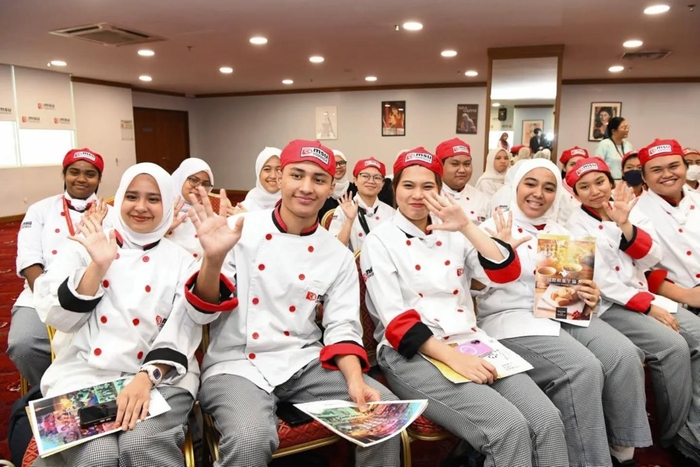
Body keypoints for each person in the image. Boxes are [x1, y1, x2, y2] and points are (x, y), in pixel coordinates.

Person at [183, 139, 401, 467]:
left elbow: (342, 326)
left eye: (318, 179)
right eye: (297, 175)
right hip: (237, 363)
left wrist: (355, 381)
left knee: (383, 415)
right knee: (250, 438)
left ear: (331, 187)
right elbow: (200, 312)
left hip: (303, 361)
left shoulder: (336, 254)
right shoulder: (238, 230)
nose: (306, 187)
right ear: (281, 177)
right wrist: (212, 260)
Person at [361, 147, 568, 467]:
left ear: (439, 189)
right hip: (412, 353)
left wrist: (466, 226)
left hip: (470, 340)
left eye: (428, 186)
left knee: (547, 419)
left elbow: (502, 274)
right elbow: (397, 322)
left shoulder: (453, 230)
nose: (417, 195)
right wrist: (455, 359)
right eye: (408, 185)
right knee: (507, 427)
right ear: (395, 188)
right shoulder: (379, 240)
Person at [477, 158, 652, 467]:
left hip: (562, 311)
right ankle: (589, 461)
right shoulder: (491, 228)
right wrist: (498, 258)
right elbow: (472, 286)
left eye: (548, 188)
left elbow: (575, 287)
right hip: (511, 319)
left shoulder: (561, 232)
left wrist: (590, 294)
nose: (538, 194)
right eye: (530, 184)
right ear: (515, 186)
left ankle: (623, 449)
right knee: (582, 367)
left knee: (623, 353)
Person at [32, 163, 202, 467]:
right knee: (97, 457)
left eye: (153, 199)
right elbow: (57, 317)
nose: (141, 207)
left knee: (141, 446)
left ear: (166, 203)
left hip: (161, 377)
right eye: (132, 196)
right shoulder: (87, 244)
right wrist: (97, 267)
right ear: (120, 197)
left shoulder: (182, 261)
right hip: (84, 375)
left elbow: (183, 327)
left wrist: (146, 378)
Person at [566, 156, 700, 464]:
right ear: (575, 193)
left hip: (643, 294)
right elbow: (601, 281)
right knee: (673, 347)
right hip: (610, 305)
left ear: (611, 181)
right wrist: (648, 306)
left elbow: (652, 257)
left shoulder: (629, 207)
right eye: (584, 187)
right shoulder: (574, 224)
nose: (595, 191)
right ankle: (674, 434)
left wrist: (625, 224)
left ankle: (691, 426)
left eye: (600, 182)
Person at [8, 148, 109, 388]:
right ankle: (46, 392)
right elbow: (30, 259)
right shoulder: (40, 210)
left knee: (107, 343)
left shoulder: (112, 213)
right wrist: (47, 298)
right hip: (39, 292)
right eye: (74, 172)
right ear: (64, 174)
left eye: (90, 174)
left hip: (96, 294)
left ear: (99, 179)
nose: (82, 179)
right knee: (24, 344)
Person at [630, 139, 700, 290]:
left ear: (685, 168)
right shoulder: (633, 212)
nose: (667, 174)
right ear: (644, 177)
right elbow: (638, 270)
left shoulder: (698, 200)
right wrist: (686, 296)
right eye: (656, 170)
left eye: (674, 166)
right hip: (674, 299)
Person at [328, 157, 394, 251]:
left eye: (377, 177)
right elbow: (335, 249)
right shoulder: (342, 210)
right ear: (355, 180)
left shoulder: (391, 213)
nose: (371, 181)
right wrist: (349, 220)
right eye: (365, 176)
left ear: (383, 183)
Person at [166, 158, 215, 258]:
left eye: (205, 184)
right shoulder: (160, 211)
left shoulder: (210, 216)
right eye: (194, 180)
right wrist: (164, 229)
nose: (199, 187)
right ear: (180, 179)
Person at [435, 138, 489, 223]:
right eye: (455, 164)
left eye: (467, 164)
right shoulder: (431, 197)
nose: (462, 170)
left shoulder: (481, 199)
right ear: (440, 166)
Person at [239, 147, 282, 211]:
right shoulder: (249, 202)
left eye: (279, 169)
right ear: (258, 172)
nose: (273, 176)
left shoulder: (291, 201)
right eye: (267, 169)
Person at [318, 149, 356, 220]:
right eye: (334, 163)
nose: (338, 166)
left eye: (341, 163)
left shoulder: (355, 190)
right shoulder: (321, 190)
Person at [558, 146, 590, 224]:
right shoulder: (557, 190)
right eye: (572, 164)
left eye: (581, 164)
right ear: (564, 168)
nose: (577, 168)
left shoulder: (593, 189)